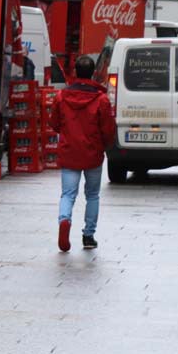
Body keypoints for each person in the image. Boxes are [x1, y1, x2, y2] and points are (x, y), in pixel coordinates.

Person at [49, 55, 117, 251]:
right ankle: (88, 235)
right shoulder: (101, 99)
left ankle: (64, 220)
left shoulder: (62, 97)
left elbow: (54, 123)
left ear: (76, 72)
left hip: (70, 152)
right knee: (93, 195)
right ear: (93, 72)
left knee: (68, 194)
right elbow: (108, 128)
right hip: (92, 153)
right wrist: (106, 144)